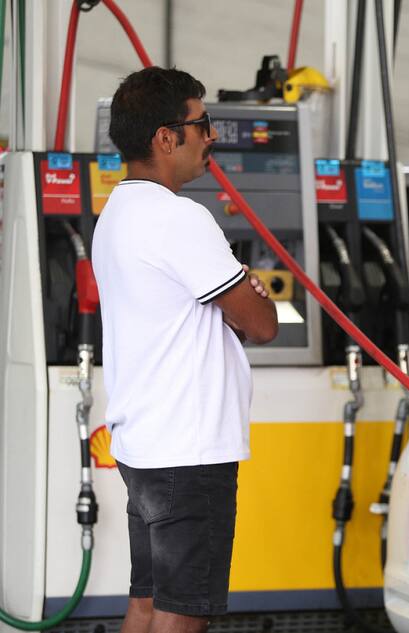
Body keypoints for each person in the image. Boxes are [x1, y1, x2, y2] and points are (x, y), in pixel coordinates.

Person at [91, 67, 278, 633]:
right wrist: (248, 292)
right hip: (189, 453)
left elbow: (207, 314)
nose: (211, 137)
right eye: (203, 124)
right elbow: (263, 322)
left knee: (147, 601)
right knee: (183, 612)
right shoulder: (179, 218)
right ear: (166, 137)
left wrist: (237, 298)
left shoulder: (117, 213)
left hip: (145, 445)